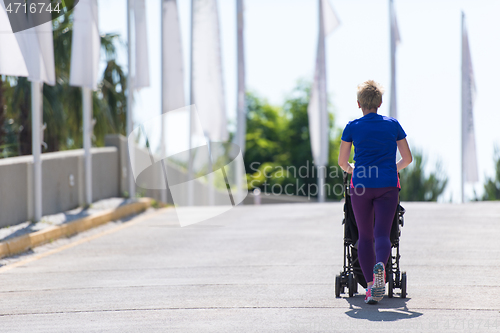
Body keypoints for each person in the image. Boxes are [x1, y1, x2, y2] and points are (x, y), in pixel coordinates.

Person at [338, 80, 412, 304]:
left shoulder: (352, 126)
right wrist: (391, 169)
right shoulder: (393, 125)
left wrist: (355, 170)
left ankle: (371, 286)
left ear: (359, 103)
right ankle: (382, 270)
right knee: (382, 233)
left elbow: (342, 162)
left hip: (361, 186)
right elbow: (407, 159)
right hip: (388, 185)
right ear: (380, 102)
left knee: (364, 237)